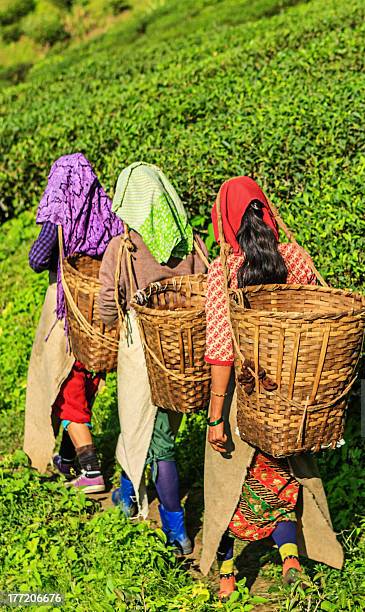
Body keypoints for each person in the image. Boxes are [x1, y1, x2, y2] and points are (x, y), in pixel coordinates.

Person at [201, 176, 344, 600]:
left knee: (229, 484)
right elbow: (320, 319)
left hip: (244, 398)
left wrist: (215, 418)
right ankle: (291, 560)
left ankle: (227, 572)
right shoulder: (295, 259)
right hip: (289, 398)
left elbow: (221, 350)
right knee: (281, 479)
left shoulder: (223, 271)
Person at [97, 162, 206, 554]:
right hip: (182, 351)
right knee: (158, 426)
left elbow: (108, 304)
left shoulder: (122, 247)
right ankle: (128, 494)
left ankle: (176, 528)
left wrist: (107, 319)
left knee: (150, 433)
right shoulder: (190, 242)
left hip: (141, 350)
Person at [23, 153, 123, 493]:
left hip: (69, 306)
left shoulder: (59, 216)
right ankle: (67, 460)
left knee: (64, 381)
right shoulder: (107, 210)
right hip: (101, 307)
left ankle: (91, 469)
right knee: (86, 373)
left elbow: (38, 260)